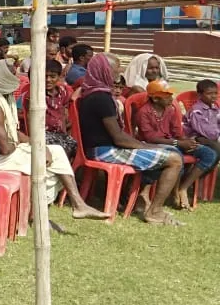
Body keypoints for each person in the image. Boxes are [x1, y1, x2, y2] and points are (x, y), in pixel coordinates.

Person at [0, 60, 107, 224]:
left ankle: (76, 205)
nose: (16, 77)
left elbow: (14, 133)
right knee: (49, 166)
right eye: (12, 74)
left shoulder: (0, 100)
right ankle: (40, 214)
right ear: (1, 77)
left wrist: (40, 147)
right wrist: (31, 150)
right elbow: (6, 149)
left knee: (56, 151)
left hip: (7, 153)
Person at [77, 54, 183, 224]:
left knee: (166, 151)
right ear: (104, 70)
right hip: (105, 151)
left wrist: (146, 146)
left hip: (99, 148)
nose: (119, 71)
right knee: (174, 159)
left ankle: (141, 198)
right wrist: (147, 146)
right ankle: (154, 211)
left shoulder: (91, 92)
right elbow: (119, 138)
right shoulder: (101, 98)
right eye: (115, 68)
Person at [135, 79, 216, 211]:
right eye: (167, 96)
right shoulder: (144, 112)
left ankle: (183, 187)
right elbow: (150, 138)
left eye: (171, 95)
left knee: (209, 153)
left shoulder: (170, 110)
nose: (171, 98)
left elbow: (177, 132)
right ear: (155, 99)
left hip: (172, 143)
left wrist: (188, 142)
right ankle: (172, 194)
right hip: (151, 145)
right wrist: (178, 143)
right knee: (176, 155)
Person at [44, 59, 77, 159]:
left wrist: (66, 129)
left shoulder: (63, 92)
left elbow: (64, 114)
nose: (48, 80)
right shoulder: (35, 94)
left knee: (73, 145)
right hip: (44, 134)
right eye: (45, 76)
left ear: (59, 77)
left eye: (52, 76)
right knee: (60, 150)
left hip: (60, 133)